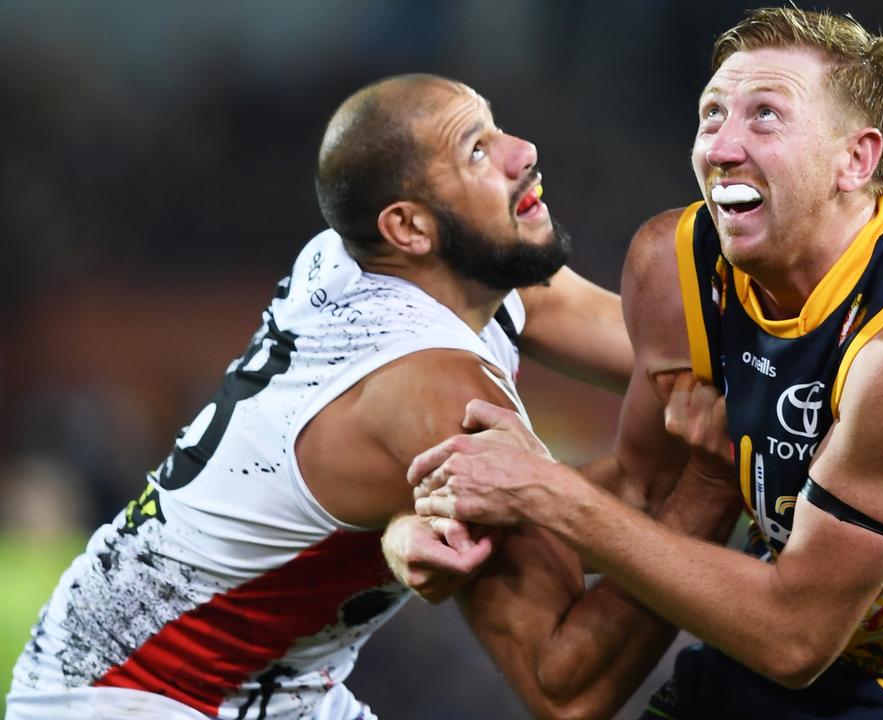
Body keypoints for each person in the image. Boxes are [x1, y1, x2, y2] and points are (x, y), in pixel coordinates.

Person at [5, 73, 730, 720]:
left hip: (263, 679)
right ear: (408, 227)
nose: (523, 151)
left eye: (495, 126)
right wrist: (712, 476)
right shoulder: (435, 389)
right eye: (476, 151)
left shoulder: (407, 261)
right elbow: (565, 687)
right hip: (135, 696)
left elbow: (669, 354)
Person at [412, 8, 883, 719]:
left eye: (765, 117)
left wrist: (544, 492)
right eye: (712, 114)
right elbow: (639, 489)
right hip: (764, 656)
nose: (722, 147)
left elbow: (795, 635)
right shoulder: (673, 265)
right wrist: (474, 514)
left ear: (857, 159)